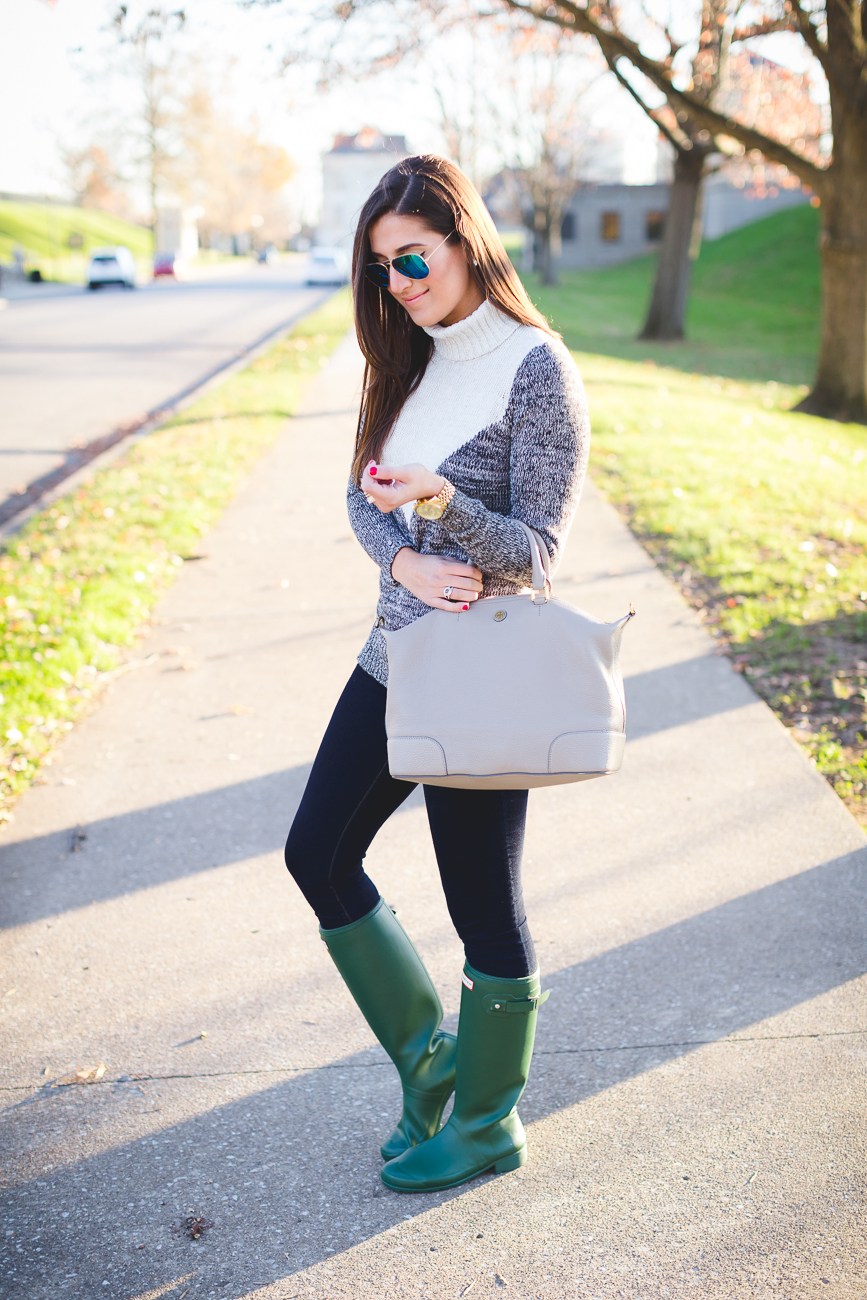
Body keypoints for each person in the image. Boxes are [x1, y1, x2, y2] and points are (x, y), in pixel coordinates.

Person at [284, 154, 589, 1193]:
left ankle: (492, 1119)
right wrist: (404, 547)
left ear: (466, 241)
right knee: (316, 854)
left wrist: (444, 506)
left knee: (481, 906)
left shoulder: (536, 368)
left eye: (412, 257)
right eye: (381, 268)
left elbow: (539, 552)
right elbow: (365, 497)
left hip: (482, 680)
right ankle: (431, 1060)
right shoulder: (407, 360)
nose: (400, 282)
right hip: (392, 657)